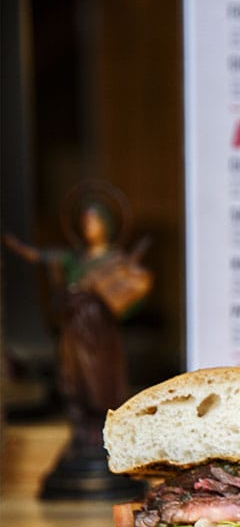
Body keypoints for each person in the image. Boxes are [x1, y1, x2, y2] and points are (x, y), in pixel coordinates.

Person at [4, 190, 151, 452]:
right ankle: (82, 429)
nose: (89, 228)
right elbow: (42, 257)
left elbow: (127, 297)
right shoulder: (76, 258)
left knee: (99, 380)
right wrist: (15, 245)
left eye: (94, 222)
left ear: (106, 225)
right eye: (85, 223)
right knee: (73, 378)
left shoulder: (115, 260)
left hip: (99, 331)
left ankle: (101, 429)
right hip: (74, 329)